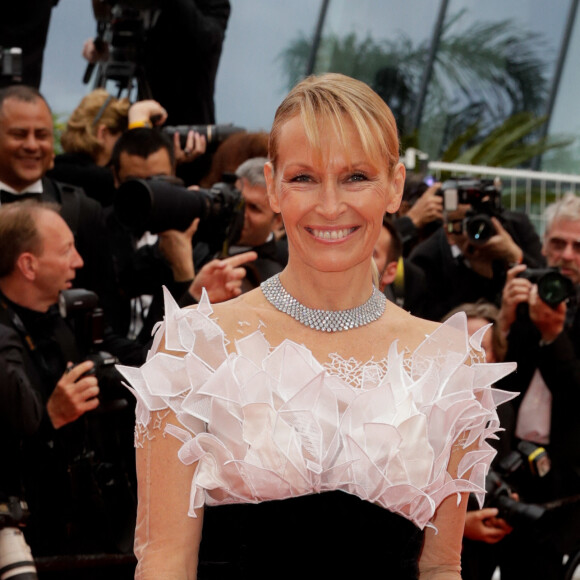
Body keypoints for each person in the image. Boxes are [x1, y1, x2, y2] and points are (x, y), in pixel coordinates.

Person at [117, 73, 515, 579]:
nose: (330, 205)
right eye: (304, 177)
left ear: (395, 187)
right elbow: (165, 560)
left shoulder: (447, 365)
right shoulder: (197, 348)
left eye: (355, 177)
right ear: (273, 186)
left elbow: (440, 569)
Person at [0, 200, 136, 559]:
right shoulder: (4, 338)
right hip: (28, 538)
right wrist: (52, 419)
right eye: (66, 251)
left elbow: (125, 366)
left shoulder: (61, 318)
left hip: (87, 519)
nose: (79, 261)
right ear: (28, 265)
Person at [494, 191, 580, 579]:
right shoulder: (528, 297)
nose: (565, 255)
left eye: (578, 247)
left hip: (564, 481)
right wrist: (506, 325)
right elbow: (499, 383)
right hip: (507, 468)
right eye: (557, 243)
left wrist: (553, 336)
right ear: (543, 246)